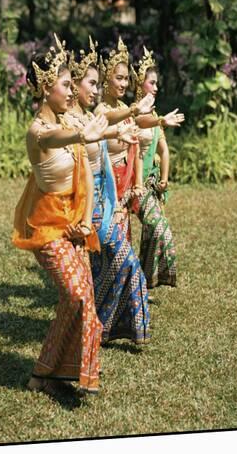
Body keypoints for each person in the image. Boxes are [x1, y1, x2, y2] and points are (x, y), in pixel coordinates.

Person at [11, 34, 108, 395]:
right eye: (66, 85)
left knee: (75, 300)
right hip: (46, 228)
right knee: (79, 294)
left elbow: (92, 136)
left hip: (72, 222)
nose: (71, 91)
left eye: (71, 85)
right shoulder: (38, 131)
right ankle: (76, 372)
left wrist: (120, 126)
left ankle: (44, 375)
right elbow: (52, 139)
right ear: (47, 88)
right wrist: (79, 137)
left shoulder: (70, 121)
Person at [65, 37, 153, 345]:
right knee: (124, 261)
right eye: (91, 82)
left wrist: (123, 129)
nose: (95, 88)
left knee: (109, 265)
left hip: (106, 199)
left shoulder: (89, 116)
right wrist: (130, 112)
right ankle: (104, 326)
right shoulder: (70, 121)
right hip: (89, 206)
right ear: (75, 85)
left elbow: (107, 125)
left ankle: (103, 327)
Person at [131, 46, 184, 288]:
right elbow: (141, 121)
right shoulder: (132, 113)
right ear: (140, 84)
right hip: (134, 184)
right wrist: (160, 119)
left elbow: (163, 150)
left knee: (152, 233)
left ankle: (144, 279)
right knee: (160, 228)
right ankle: (150, 277)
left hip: (151, 185)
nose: (156, 87)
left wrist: (164, 179)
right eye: (151, 83)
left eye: (156, 83)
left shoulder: (153, 115)